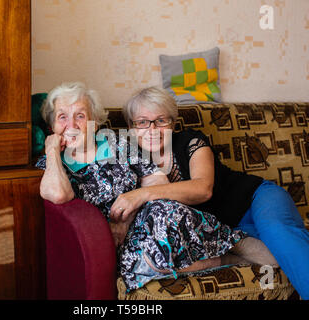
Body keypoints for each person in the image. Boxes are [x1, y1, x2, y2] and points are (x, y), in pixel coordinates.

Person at [35, 82, 270, 292]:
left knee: (164, 211)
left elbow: (157, 181)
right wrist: (53, 150)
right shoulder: (51, 163)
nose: (71, 124)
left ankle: (229, 240)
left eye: (80, 116)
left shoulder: (118, 143)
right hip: (106, 240)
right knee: (144, 263)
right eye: (62, 117)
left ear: (94, 122)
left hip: (146, 220)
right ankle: (225, 256)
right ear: (51, 126)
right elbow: (58, 194)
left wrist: (127, 219)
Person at [113, 86, 309, 300]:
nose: (152, 129)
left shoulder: (191, 141)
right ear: (131, 128)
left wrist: (143, 194)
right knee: (283, 250)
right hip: (228, 230)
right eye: (142, 122)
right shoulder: (129, 160)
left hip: (255, 199)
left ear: (173, 123)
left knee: (278, 231)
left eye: (160, 120)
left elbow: (203, 189)